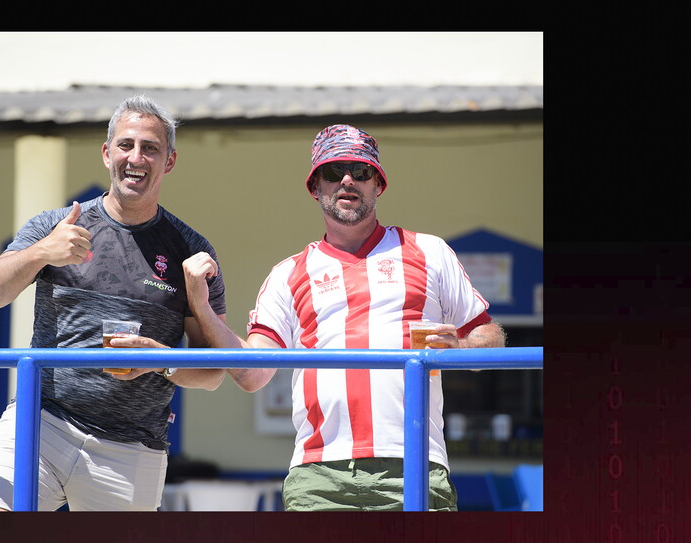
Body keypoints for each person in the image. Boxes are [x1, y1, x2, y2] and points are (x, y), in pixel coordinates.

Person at [180, 124, 506, 511]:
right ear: (316, 187)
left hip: (414, 463)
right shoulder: (288, 273)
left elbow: (491, 336)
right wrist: (201, 307)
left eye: (362, 171)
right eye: (334, 172)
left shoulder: (430, 252)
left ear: (378, 185)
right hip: (319, 475)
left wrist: (461, 347)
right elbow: (252, 374)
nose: (348, 180)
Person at [0, 95, 228, 512]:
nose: (135, 157)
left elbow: (212, 374)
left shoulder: (191, 252)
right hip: (40, 422)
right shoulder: (55, 226)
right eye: (125, 145)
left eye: (150, 148)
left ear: (169, 161)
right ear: (106, 153)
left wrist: (162, 360)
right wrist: (40, 253)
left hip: (131, 445)